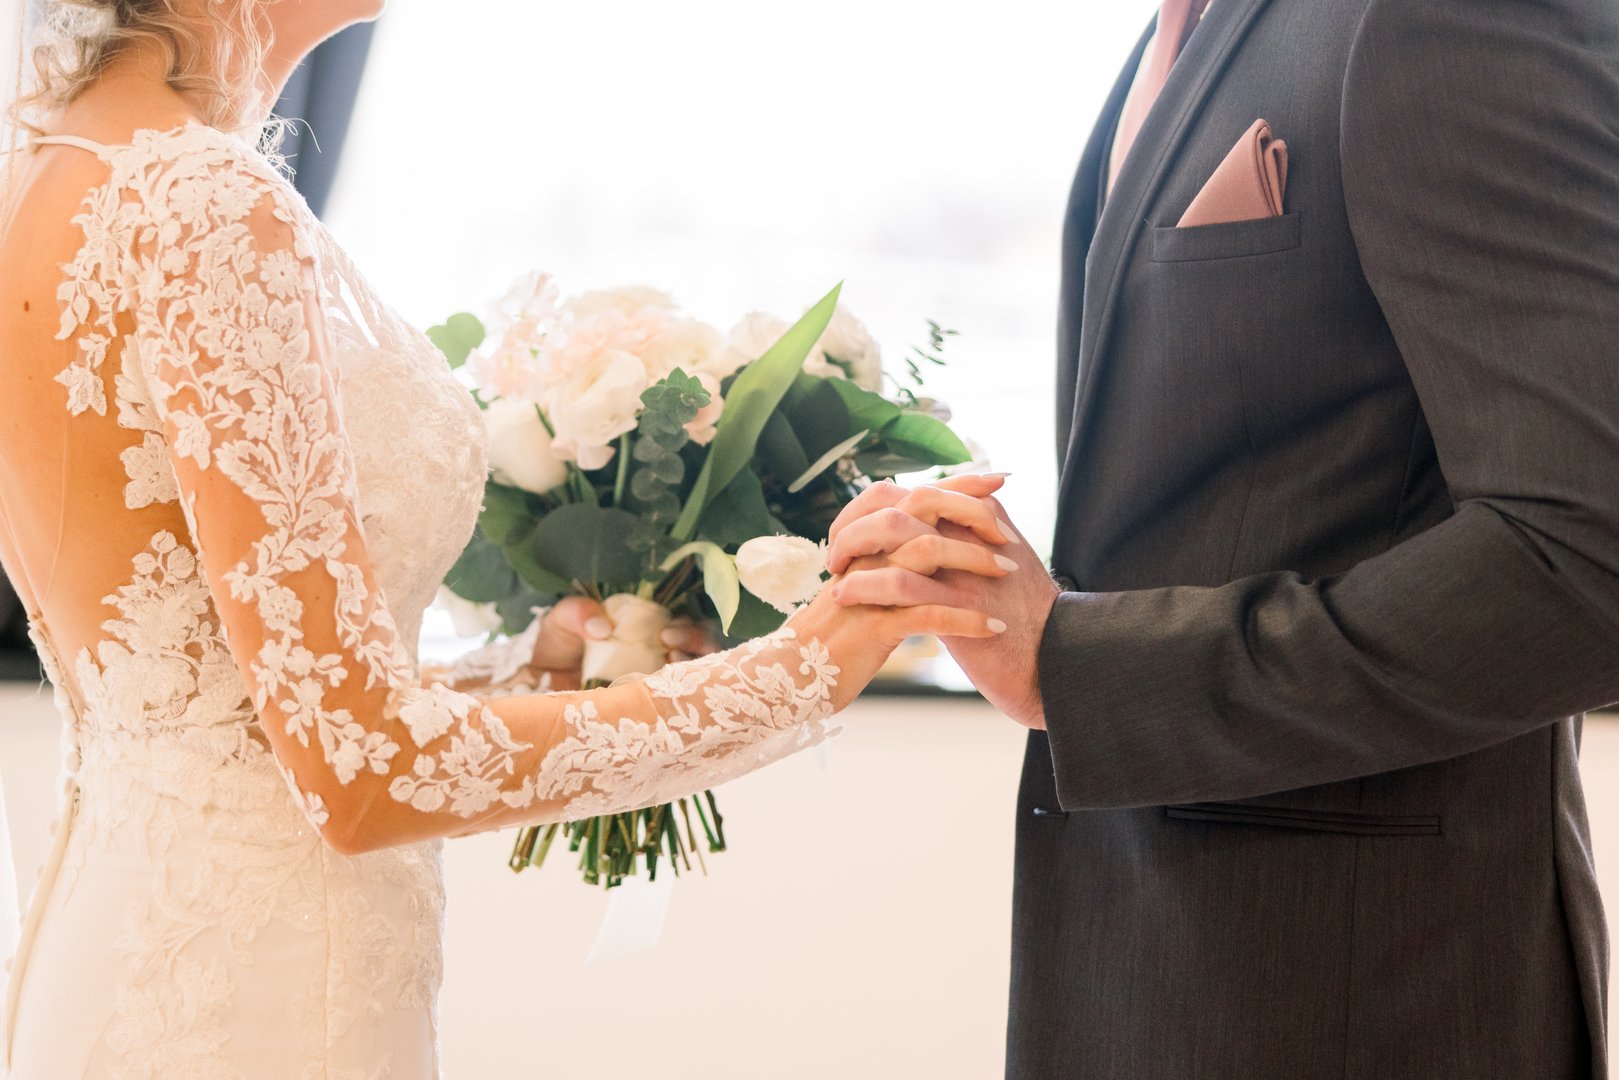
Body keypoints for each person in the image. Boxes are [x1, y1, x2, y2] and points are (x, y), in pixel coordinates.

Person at [0, 1, 1009, 1075]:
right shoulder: (201, 204)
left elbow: (225, 713)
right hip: (259, 997)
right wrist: (803, 668)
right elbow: (360, 774)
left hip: (132, 947)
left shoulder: (49, 169)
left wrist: (528, 669)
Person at [827, 0, 1619, 1076]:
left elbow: (1586, 558)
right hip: (1149, 954)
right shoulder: (1178, 34)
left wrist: (1078, 664)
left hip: (1356, 994)